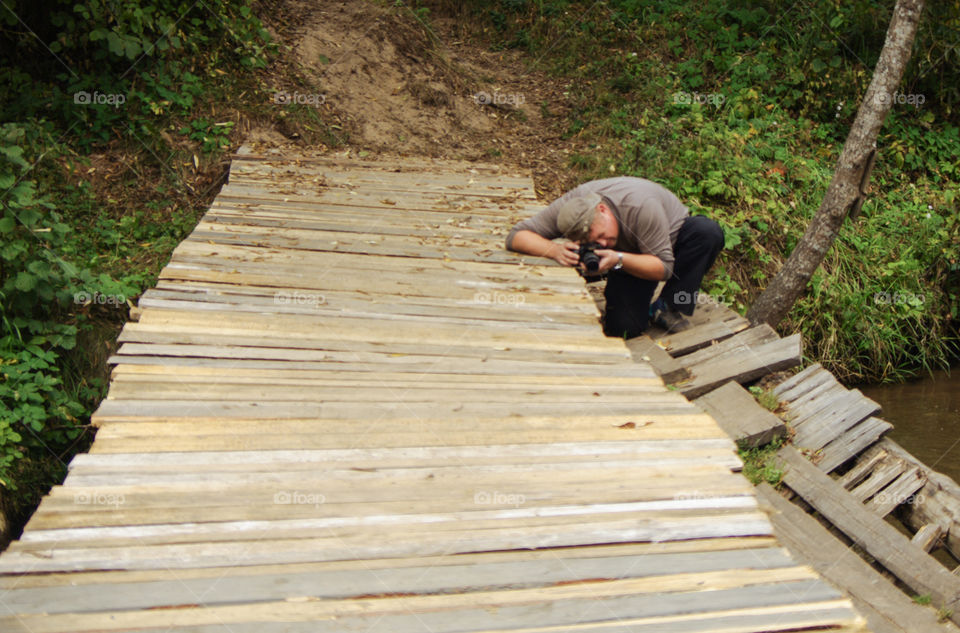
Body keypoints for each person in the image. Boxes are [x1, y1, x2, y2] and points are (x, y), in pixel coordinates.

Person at [505, 176, 724, 338]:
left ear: (602, 210)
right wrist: (554, 250)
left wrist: (619, 259)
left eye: (600, 235)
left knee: (706, 233)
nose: (599, 243)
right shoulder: (572, 208)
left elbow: (665, 267)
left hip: (664, 247)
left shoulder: (641, 207)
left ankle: (668, 305)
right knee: (625, 328)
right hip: (623, 259)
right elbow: (516, 236)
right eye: (590, 242)